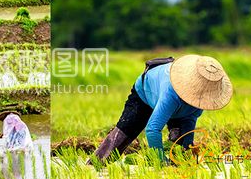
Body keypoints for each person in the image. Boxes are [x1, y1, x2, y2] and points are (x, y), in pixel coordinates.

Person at [95, 52, 233, 164]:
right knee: (122, 137)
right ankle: (93, 165)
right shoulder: (171, 94)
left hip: (175, 105)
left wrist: (188, 148)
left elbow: (189, 122)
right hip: (145, 93)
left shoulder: (201, 100)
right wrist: (160, 161)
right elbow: (152, 129)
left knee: (179, 142)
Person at [0, 111, 33, 179]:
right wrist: (3, 135)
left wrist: (4, 136)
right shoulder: (17, 119)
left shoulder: (8, 119)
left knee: (10, 154)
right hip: (22, 139)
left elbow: (9, 132)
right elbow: (14, 130)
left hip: (16, 144)